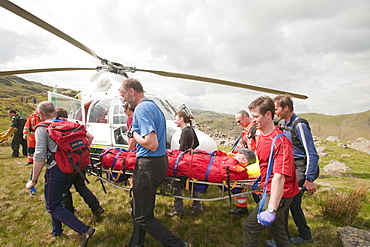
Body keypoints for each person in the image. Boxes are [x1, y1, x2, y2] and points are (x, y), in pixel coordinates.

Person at [119, 78, 190, 247]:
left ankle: (179, 245)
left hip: (148, 165)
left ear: (131, 91)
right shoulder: (152, 106)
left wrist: (133, 134)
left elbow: (151, 143)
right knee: (138, 207)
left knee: (144, 216)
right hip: (158, 162)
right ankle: (136, 244)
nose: (122, 99)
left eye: (122, 95)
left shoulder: (142, 109)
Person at [25, 101, 95, 247]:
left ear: (41, 114)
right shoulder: (69, 123)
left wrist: (33, 179)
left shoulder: (42, 128)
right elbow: (89, 137)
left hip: (57, 169)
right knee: (57, 201)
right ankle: (56, 231)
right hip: (75, 167)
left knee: (52, 205)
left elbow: (39, 156)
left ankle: (84, 230)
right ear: (55, 112)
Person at [242, 96, 299, 247]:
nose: (252, 120)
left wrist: (272, 208)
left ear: (268, 115)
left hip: (280, 193)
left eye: (256, 116)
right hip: (271, 190)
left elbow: (279, 177)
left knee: (250, 227)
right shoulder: (262, 137)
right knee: (277, 230)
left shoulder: (280, 141)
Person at [270, 94, 319, 245]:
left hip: (300, 167)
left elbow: (312, 153)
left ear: (286, 108)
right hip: (292, 167)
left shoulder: (299, 125)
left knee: (286, 200)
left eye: (276, 109)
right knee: (292, 203)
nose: (275, 112)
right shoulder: (284, 123)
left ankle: (283, 239)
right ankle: (303, 235)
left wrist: (309, 179)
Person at [54, 108, 105, 217]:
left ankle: (69, 214)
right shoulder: (74, 125)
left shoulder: (57, 128)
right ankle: (96, 207)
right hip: (80, 162)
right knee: (81, 186)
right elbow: (90, 137)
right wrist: (84, 150)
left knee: (64, 190)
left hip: (67, 164)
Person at [167, 111, 203, 217]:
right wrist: (190, 151)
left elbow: (182, 149)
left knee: (176, 184)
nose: (174, 121)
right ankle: (197, 208)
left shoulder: (185, 131)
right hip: (190, 161)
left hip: (183, 162)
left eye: (176, 119)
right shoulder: (191, 129)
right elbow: (197, 143)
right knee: (192, 183)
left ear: (181, 119)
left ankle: (178, 210)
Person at [228, 110, 259, 216]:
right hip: (250, 161)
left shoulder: (256, 130)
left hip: (256, 163)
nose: (238, 124)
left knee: (256, 187)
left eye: (239, 121)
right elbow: (240, 147)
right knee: (237, 182)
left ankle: (263, 209)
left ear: (246, 117)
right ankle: (242, 208)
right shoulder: (246, 132)